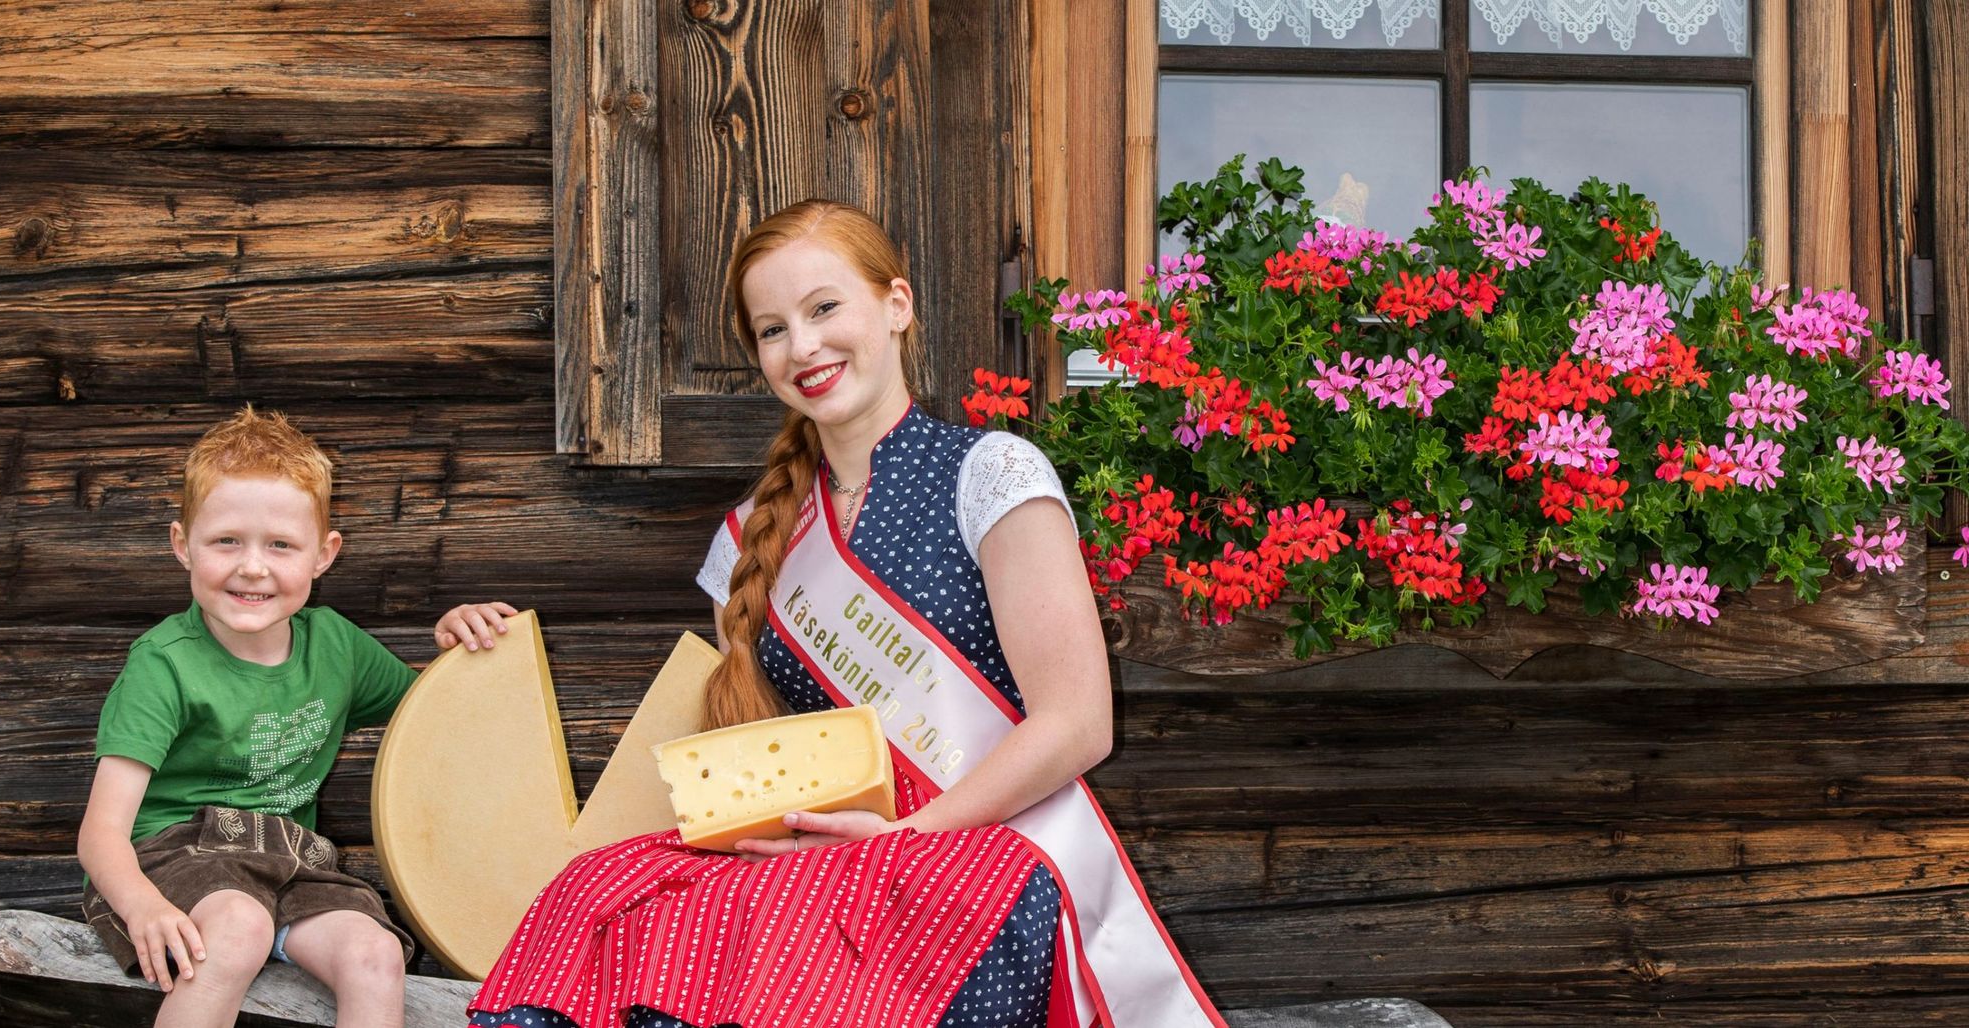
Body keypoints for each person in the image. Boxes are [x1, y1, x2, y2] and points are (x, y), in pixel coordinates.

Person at [437, 200, 1226, 1028]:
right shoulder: (749, 538)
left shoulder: (990, 474)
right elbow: (763, 753)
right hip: (825, 862)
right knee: (599, 889)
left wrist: (902, 834)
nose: (803, 347)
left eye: (823, 308)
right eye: (772, 330)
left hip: (980, 851)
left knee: (793, 938)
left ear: (897, 305)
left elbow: (1078, 725)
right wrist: (479, 645)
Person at [75, 407, 421, 1028]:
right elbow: (101, 832)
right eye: (226, 541)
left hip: (292, 862)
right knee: (239, 926)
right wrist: (143, 907)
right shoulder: (165, 664)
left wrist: (461, 641)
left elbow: (434, 711)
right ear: (183, 544)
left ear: (324, 554)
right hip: (171, 858)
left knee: (376, 953)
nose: (253, 566)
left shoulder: (336, 647)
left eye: (281, 545)